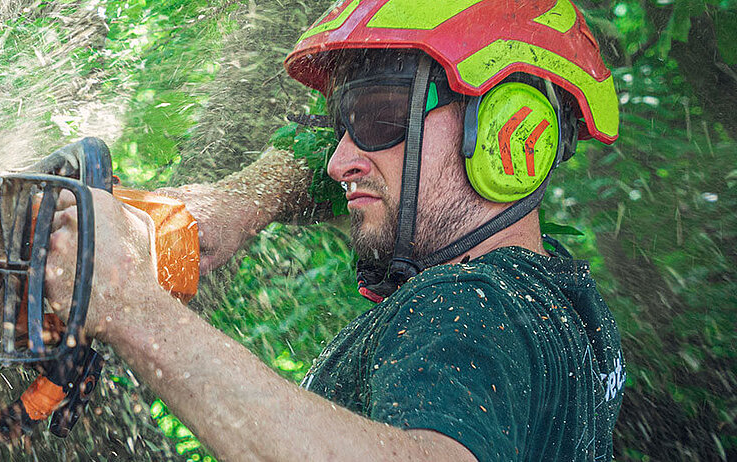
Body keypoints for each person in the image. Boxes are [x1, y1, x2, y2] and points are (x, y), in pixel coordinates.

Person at [44, 0, 627, 460]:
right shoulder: (556, 309)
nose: (338, 161)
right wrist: (240, 203)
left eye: (378, 116)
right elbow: (390, 163)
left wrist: (130, 305)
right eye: (342, 123)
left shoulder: (469, 303)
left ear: (510, 133)